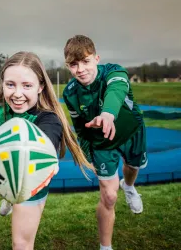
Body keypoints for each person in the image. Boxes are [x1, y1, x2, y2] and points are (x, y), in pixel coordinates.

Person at [0, 51, 92, 250]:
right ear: (2, 83)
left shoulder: (48, 119)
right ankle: (8, 195)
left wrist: (46, 155)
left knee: (21, 244)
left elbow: (44, 150)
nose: (17, 94)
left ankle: (14, 193)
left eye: (27, 85)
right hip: (2, 163)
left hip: (33, 174)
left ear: (40, 87)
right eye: (10, 84)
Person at [62, 35, 148, 250]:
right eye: (74, 64)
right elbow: (80, 127)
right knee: (109, 196)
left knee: (133, 166)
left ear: (96, 58)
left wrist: (108, 114)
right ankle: (105, 247)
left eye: (86, 61)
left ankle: (128, 186)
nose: (81, 69)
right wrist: (85, 154)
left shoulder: (114, 71)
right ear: (68, 66)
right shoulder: (70, 92)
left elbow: (116, 91)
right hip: (101, 144)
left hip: (131, 133)